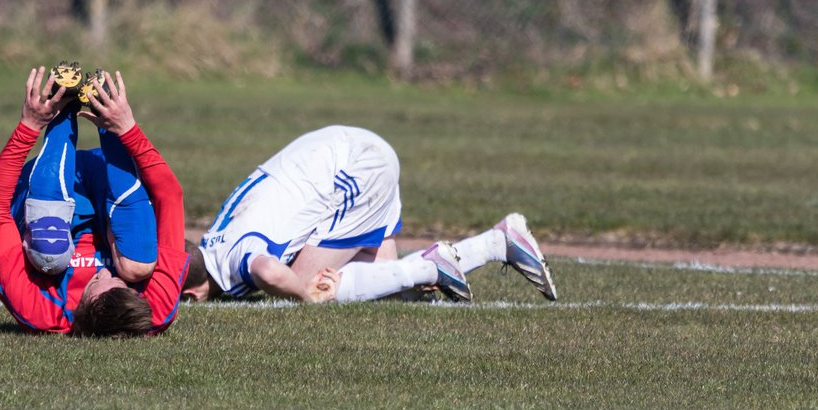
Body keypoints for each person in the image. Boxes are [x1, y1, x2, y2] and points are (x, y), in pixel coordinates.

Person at [180, 125, 559, 304]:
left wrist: (304, 298)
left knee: (307, 288)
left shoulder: (232, 263)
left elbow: (268, 272)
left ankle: (432, 266)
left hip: (357, 167)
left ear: (193, 296)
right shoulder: (214, 236)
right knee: (389, 291)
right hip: (344, 151)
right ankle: (498, 243)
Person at [0, 66, 191, 338]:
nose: (109, 274)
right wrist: (128, 128)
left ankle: (62, 105)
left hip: (48, 186)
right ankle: (102, 104)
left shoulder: (41, 313)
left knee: (49, 254)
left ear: (89, 303)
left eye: (104, 281)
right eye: (123, 285)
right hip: (107, 182)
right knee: (137, 266)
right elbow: (169, 197)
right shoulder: (155, 309)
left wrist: (29, 126)